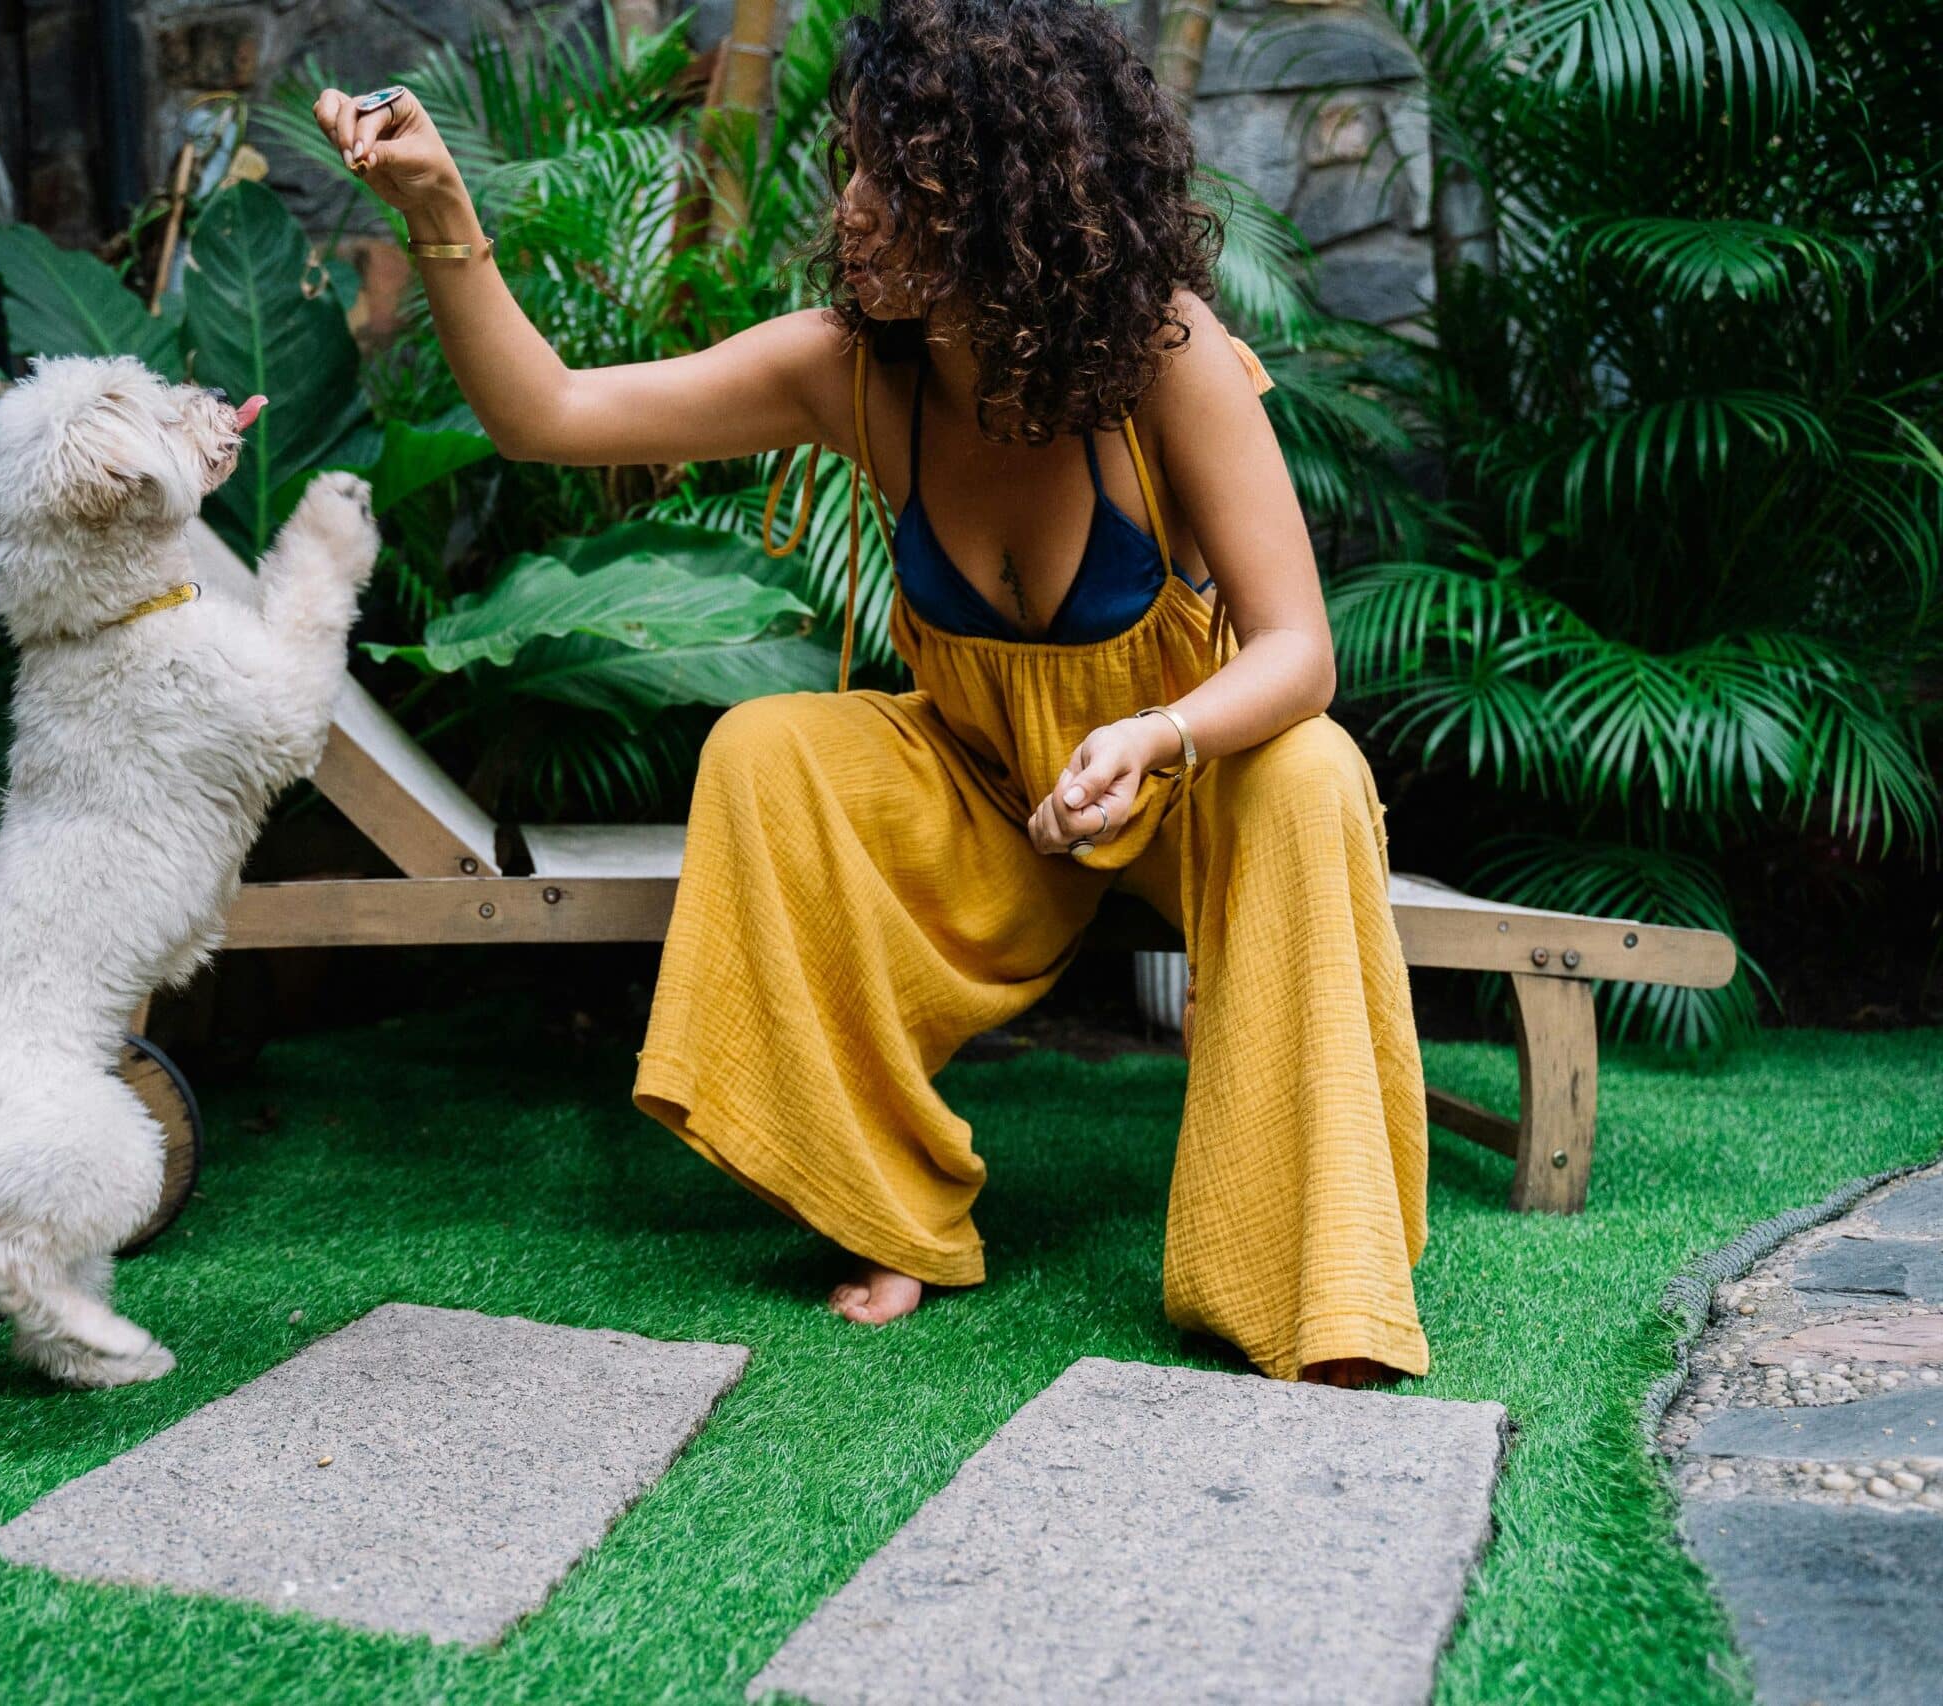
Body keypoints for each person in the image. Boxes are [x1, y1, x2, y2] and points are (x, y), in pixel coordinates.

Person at [312, 0, 1430, 1385]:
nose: (852, 209)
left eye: (900, 184)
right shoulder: (849, 375)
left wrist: (1157, 733)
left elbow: (1298, 650)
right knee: (768, 748)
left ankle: (1308, 1286)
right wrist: (437, 210)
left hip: (1186, 780)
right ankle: (881, 1204)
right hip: (987, 798)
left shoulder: (1165, 358)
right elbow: (549, 416)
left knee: (1314, 764)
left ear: (1015, 201)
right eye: (857, 167)